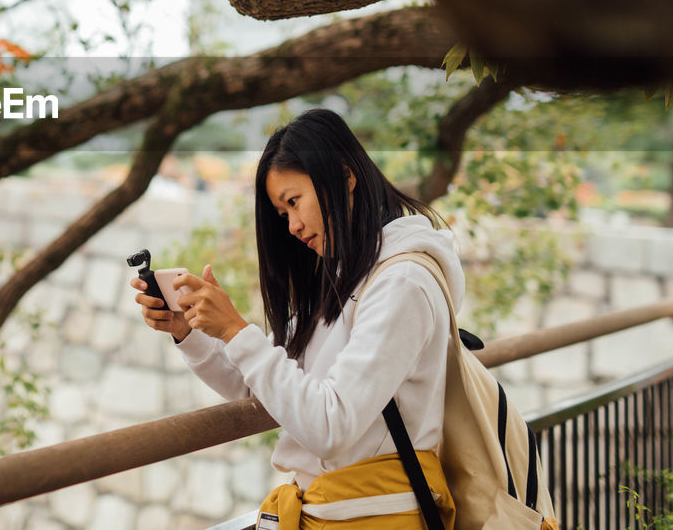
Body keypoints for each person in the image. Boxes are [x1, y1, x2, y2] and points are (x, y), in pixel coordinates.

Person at [130, 109, 463, 529]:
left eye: (293, 202)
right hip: (332, 513)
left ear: (345, 177)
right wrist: (190, 332)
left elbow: (330, 425)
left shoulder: (403, 283)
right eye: (283, 213)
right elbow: (261, 388)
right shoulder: (341, 275)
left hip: (372, 515)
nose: (292, 225)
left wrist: (236, 329)